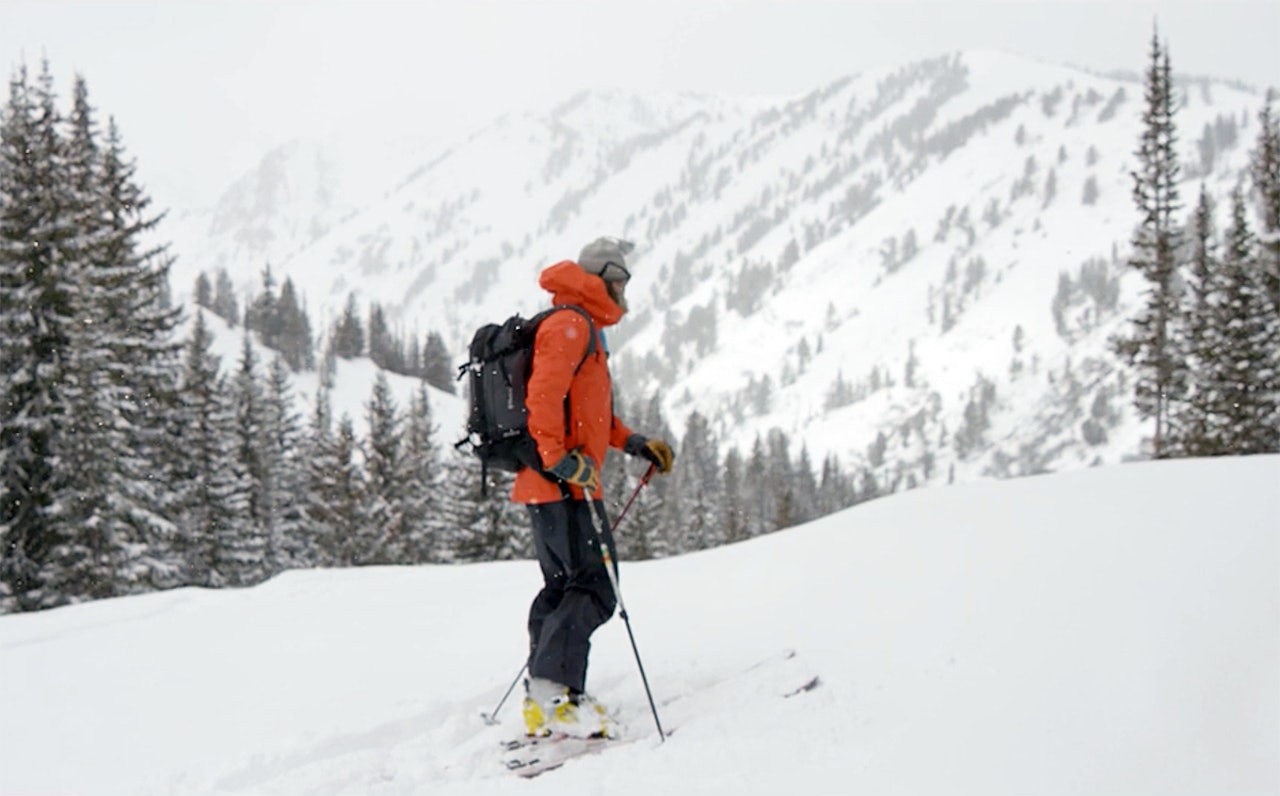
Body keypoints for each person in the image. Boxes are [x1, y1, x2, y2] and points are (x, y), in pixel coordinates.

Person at [515, 237, 674, 739]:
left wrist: (635, 443)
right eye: (619, 280)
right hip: (563, 484)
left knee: (564, 588)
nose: (624, 290)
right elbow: (543, 397)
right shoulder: (570, 325)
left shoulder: (582, 326)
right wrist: (559, 461)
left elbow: (591, 416)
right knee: (595, 589)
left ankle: (546, 697)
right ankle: (555, 698)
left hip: (555, 484)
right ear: (601, 278)